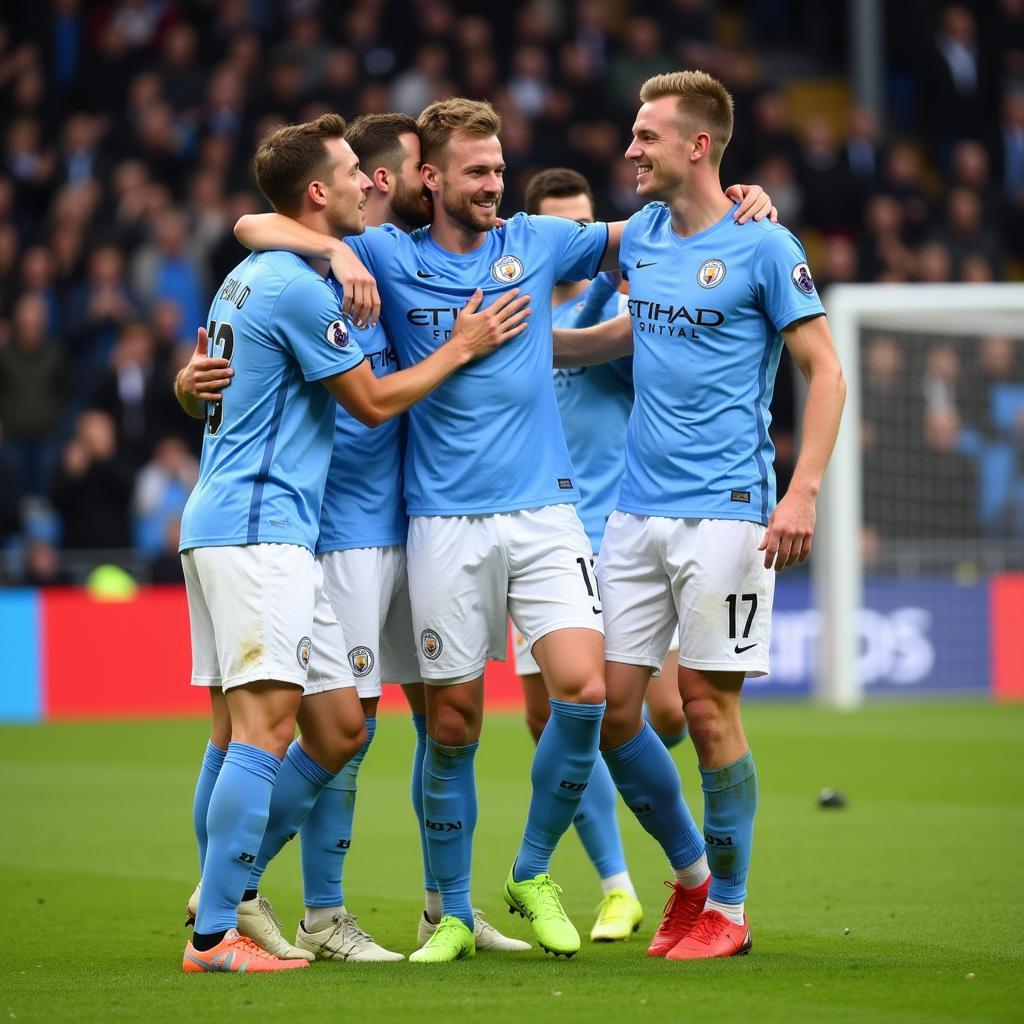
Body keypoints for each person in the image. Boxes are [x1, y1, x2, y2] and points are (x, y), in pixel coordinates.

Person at [234, 97, 773, 963]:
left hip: (546, 511)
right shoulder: (383, 253)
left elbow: (659, 224)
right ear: (430, 178)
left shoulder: (536, 240)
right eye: (476, 172)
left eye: (498, 169)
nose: (492, 185)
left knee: (585, 690)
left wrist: (742, 197)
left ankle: (530, 870)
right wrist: (333, 244)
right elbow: (253, 222)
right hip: (439, 521)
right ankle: (447, 913)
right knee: (449, 726)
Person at [176, 113, 526, 974]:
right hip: (264, 526)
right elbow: (368, 402)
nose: (372, 186)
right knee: (257, 731)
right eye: (354, 173)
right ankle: (217, 929)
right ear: (321, 193)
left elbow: (254, 233)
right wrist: (463, 345)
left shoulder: (253, 276)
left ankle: (224, 890)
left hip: (244, 524)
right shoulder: (298, 284)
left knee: (317, 729)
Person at [554, 71, 845, 961]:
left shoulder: (764, 245)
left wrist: (801, 493)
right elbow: (591, 295)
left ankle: (731, 907)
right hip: (634, 514)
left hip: (726, 512)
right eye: (632, 135)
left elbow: (826, 371)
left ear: (698, 146)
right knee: (611, 712)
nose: (630, 149)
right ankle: (691, 879)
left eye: (647, 136)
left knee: (709, 713)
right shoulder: (639, 235)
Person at [517, 166, 768, 943]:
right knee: (581, 712)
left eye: (590, 230)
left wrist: (737, 207)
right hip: (556, 536)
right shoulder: (514, 302)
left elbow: (636, 343)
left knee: (682, 707)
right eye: (567, 232)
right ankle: (646, 882)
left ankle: (718, 894)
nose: (584, 244)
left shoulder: (658, 278)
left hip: (679, 515)